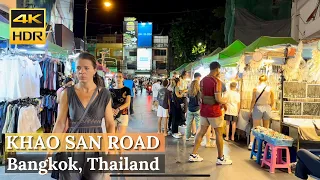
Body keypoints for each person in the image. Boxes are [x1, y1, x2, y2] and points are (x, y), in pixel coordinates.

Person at [48, 52, 115, 179]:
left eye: (86, 68)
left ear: (95, 70)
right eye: (78, 68)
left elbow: (110, 123)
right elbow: (60, 123)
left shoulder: (104, 94)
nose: (82, 72)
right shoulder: (67, 93)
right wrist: (50, 151)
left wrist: (111, 149)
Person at [189, 62, 232, 165]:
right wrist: (225, 100)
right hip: (214, 111)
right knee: (218, 133)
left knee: (201, 132)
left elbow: (201, 97)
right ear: (217, 69)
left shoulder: (203, 80)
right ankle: (220, 158)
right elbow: (218, 98)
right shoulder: (217, 82)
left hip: (204, 110)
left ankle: (193, 155)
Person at [248, 75, 275, 150]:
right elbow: (273, 101)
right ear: (266, 80)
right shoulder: (270, 89)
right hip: (267, 108)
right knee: (266, 128)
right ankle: (265, 145)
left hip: (258, 107)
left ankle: (252, 143)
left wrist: (250, 110)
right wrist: (270, 106)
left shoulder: (255, 89)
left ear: (259, 80)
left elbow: (253, 100)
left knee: (255, 127)